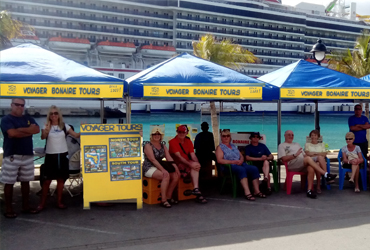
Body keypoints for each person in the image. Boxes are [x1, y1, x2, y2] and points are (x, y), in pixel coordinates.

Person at [0, 98, 40, 218]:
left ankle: (26, 206)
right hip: (12, 155)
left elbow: (37, 130)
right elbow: (12, 134)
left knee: (26, 182)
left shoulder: (29, 118)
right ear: (11, 105)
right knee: (9, 183)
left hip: (27, 154)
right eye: (17, 105)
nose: (20, 107)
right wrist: (28, 131)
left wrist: (19, 130)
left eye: (22, 105)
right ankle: (8, 209)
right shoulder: (6, 119)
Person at [37, 105, 80, 211]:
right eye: (51, 113)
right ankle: (42, 204)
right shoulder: (46, 126)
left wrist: (84, 128)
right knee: (47, 181)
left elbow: (76, 135)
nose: (53, 115)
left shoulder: (65, 126)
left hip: (62, 155)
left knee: (61, 180)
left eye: (55, 113)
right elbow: (42, 137)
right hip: (50, 156)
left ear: (59, 115)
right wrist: (46, 131)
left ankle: (59, 202)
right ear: (49, 116)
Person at [278, 130, 337, 199]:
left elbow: (304, 155)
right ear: (284, 135)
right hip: (292, 164)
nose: (291, 136)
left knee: (310, 168)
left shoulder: (297, 144)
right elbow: (283, 159)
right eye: (289, 135)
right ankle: (326, 174)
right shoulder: (282, 145)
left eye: (292, 135)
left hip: (302, 164)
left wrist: (311, 157)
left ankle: (309, 190)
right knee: (308, 159)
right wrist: (294, 155)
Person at [216, 129, 266, 201]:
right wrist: (233, 162)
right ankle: (247, 192)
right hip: (229, 166)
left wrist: (241, 160)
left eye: (228, 136)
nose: (226, 137)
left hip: (239, 163)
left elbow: (241, 156)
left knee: (254, 168)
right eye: (224, 136)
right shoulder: (220, 147)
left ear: (230, 137)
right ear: (221, 137)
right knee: (241, 170)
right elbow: (219, 160)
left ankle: (257, 191)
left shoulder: (233, 146)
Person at [143, 126, 180, 208]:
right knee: (165, 176)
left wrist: (175, 167)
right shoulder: (148, 145)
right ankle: (163, 200)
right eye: (154, 134)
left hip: (159, 166)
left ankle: (168, 196)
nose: (156, 135)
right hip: (149, 167)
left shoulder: (163, 145)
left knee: (176, 175)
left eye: (158, 134)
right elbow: (152, 160)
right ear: (151, 136)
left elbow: (169, 157)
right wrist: (163, 170)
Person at [169, 125, 207, 204]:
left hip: (186, 163)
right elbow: (179, 158)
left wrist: (197, 163)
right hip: (176, 164)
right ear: (177, 132)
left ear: (187, 133)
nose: (181, 134)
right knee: (193, 166)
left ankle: (196, 189)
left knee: (195, 166)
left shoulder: (188, 141)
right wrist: (191, 164)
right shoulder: (173, 142)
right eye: (180, 132)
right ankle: (197, 192)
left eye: (183, 132)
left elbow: (193, 155)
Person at [304, 130, 328, 194]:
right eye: (312, 135)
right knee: (318, 159)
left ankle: (318, 186)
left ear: (318, 136)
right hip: (310, 161)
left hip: (319, 161)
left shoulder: (321, 144)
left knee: (318, 161)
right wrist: (318, 153)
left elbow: (324, 154)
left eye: (315, 135)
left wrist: (314, 154)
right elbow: (307, 153)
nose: (313, 137)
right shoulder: (307, 144)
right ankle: (326, 175)